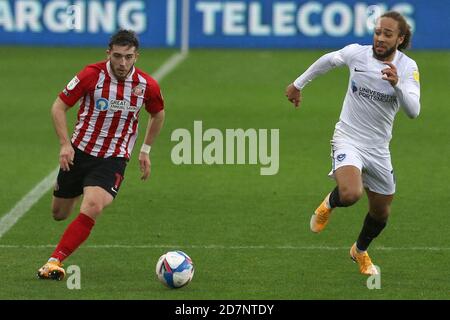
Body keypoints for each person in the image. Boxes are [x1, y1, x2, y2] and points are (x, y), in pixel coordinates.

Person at [285, 11, 420, 275]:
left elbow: (413, 111)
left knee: (381, 215)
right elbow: (327, 61)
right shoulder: (357, 54)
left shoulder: (408, 68)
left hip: (378, 149)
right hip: (348, 138)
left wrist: (398, 85)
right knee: (350, 194)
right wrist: (298, 84)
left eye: (388, 34)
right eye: (378, 32)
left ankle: (359, 251)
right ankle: (329, 204)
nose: (380, 38)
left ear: (400, 39)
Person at [37, 30, 165, 280]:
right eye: (117, 56)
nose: (122, 63)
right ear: (108, 53)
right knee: (59, 214)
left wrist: (145, 151)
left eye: (128, 57)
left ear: (136, 56)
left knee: (94, 205)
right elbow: (58, 107)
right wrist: (65, 144)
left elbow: (158, 114)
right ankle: (75, 188)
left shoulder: (146, 85)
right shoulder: (90, 75)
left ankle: (54, 260)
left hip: (114, 158)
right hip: (79, 152)